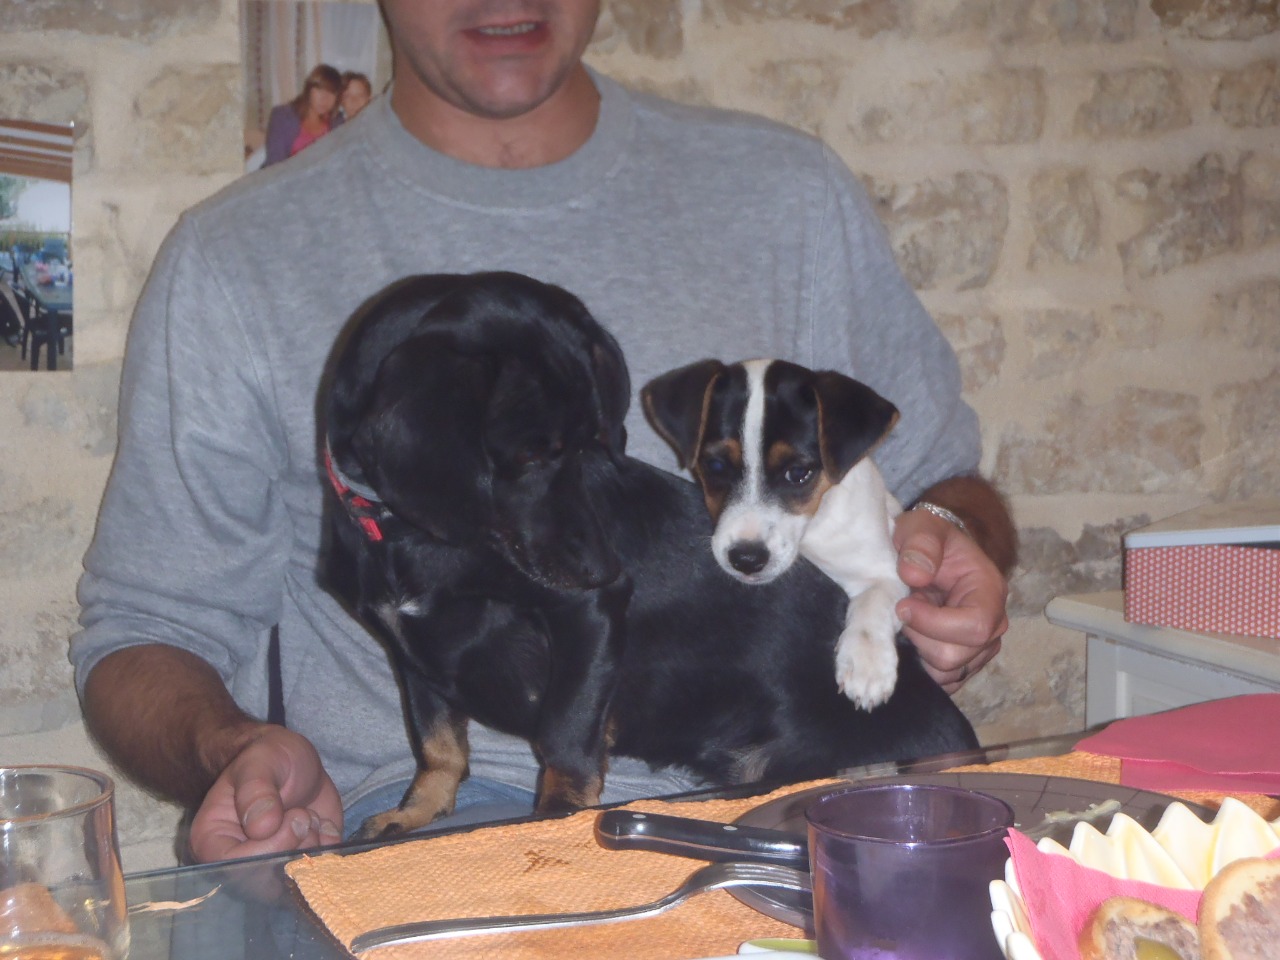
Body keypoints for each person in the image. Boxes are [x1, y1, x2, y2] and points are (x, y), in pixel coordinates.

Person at [73, 0, 1016, 865]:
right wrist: (232, 749)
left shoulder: (792, 196)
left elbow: (946, 487)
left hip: (815, 807)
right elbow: (145, 630)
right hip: (461, 846)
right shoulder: (235, 258)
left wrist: (954, 546)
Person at [262, 64, 343, 167]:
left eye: (331, 93)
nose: (325, 98)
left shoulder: (337, 123)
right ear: (309, 90)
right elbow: (275, 163)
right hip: (287, 175)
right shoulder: (282, 117)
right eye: (320, 90)